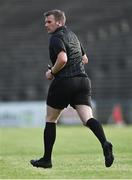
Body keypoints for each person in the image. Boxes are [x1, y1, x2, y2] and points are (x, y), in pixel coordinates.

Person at [30, 9, 114, 169]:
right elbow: (85, 59)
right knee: (87, 119)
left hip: (64, 82)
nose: (45, 25)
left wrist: (52, 72)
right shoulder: (73, 36)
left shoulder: (56, 38)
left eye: (49, 21)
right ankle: (105, 142)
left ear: (59, 22)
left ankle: (47, 159)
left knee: (51, 119)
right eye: (45, 22)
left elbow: (62, 58)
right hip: (82, 81)